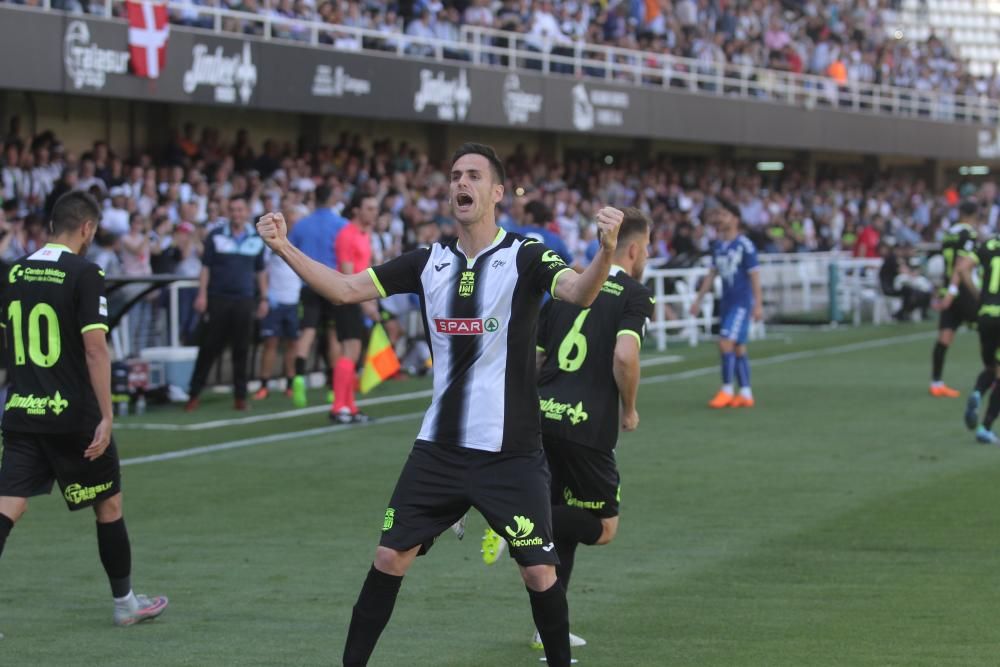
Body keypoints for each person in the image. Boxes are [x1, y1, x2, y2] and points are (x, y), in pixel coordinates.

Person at [255, 142, 624, 667]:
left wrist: (606, 250)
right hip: (439, 451)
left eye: (473, 176)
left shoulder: (526, 254)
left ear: (497, 192)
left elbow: (578, 291)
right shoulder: (428, 260)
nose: (461, 184)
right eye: (454, 176)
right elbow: (342, 289)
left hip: (510, 453)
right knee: (388, 556)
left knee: (539, 572)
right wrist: (282, 247)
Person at [481, 207, 655, 652]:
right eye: (648, 247)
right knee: (603, 525)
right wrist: (630, 409)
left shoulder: (570, 285)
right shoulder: (634, 294)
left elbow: (534, 357)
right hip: (587, 427)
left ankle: (548, 628)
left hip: (543, 418)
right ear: (635, 249)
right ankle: (511, 524)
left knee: (561, 529)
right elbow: (623, 357)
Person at [0, 192, 167, 631]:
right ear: (88, 229)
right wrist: (107, 416)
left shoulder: (15, 270)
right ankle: (125, 602)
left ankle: (128, 602)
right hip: (73, 417)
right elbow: (96, 350)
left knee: (7, 507)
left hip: (21, 410)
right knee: (108, 505)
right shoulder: (86, 272)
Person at [185, 195, 268, 412]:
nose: (237, 214)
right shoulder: (216, 236)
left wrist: (264, 298)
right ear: (229, 212)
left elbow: (260, 271)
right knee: (209, 347)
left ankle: (240, 397)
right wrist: (201, 295)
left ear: (246, 212)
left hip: (244, 299)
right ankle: (193, 394)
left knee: (242, 349)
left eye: (240, 210)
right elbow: (205, 268)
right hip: (218, 298)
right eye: (233, 210)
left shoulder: (255, 238)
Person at [690, 199, 763, 408]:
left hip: (741, 302)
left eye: (723, 214)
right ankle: (746, 393)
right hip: (727, 302)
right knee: (738, 348)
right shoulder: (718, 246)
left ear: (735, 219)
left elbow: (755, 276)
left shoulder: (745, 245)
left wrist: (758, 304)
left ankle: (727, 389)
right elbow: (711, 274)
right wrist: (698, 299)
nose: (719, 219)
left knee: (725, 342)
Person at [287, 184, 347, 408]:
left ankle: (299, 379)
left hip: (309, 284)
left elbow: (291, 251)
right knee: (333, 335)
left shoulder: (302, 225)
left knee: (307, 333)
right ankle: (333, 388)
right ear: (332, 198)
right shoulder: (341, 224)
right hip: (332, 283)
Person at [942, 233, 1000, 443]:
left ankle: (977, 392)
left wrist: (979, 295)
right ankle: (985, 428)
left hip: (985, 315)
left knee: (991, 368)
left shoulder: (988, 244)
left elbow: (962, 268)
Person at [329, 192, 379, 423]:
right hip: (348, 298)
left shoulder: (363, 234)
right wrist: (366, 303)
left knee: (354, 351)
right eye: (369, 208)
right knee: (349, 350)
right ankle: (340, 406)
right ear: (357, 210)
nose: (374, 212)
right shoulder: (347, 235)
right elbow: (348, 274)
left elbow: (365, 269)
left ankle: (349, 405)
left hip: (358, 298)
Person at [930, 200, 980, 398]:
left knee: (945, 337)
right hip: (964, 291)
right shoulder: (968, 234)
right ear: (974, 215)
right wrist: (952, 291)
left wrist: (945, 291)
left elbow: (947, 264)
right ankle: (995, 379)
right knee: (991, 331)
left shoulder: (949, 233)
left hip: (948, 289)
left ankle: (936, 383)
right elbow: (961, 265)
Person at [254, 207, 303, 401]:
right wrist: (266, 296)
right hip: (276, 301)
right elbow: (263, 273)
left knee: (292, 343)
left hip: (293, 300)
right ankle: (264, 385)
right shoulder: (269, 245)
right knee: (270, 343)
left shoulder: (299, 244)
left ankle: (289, 384)